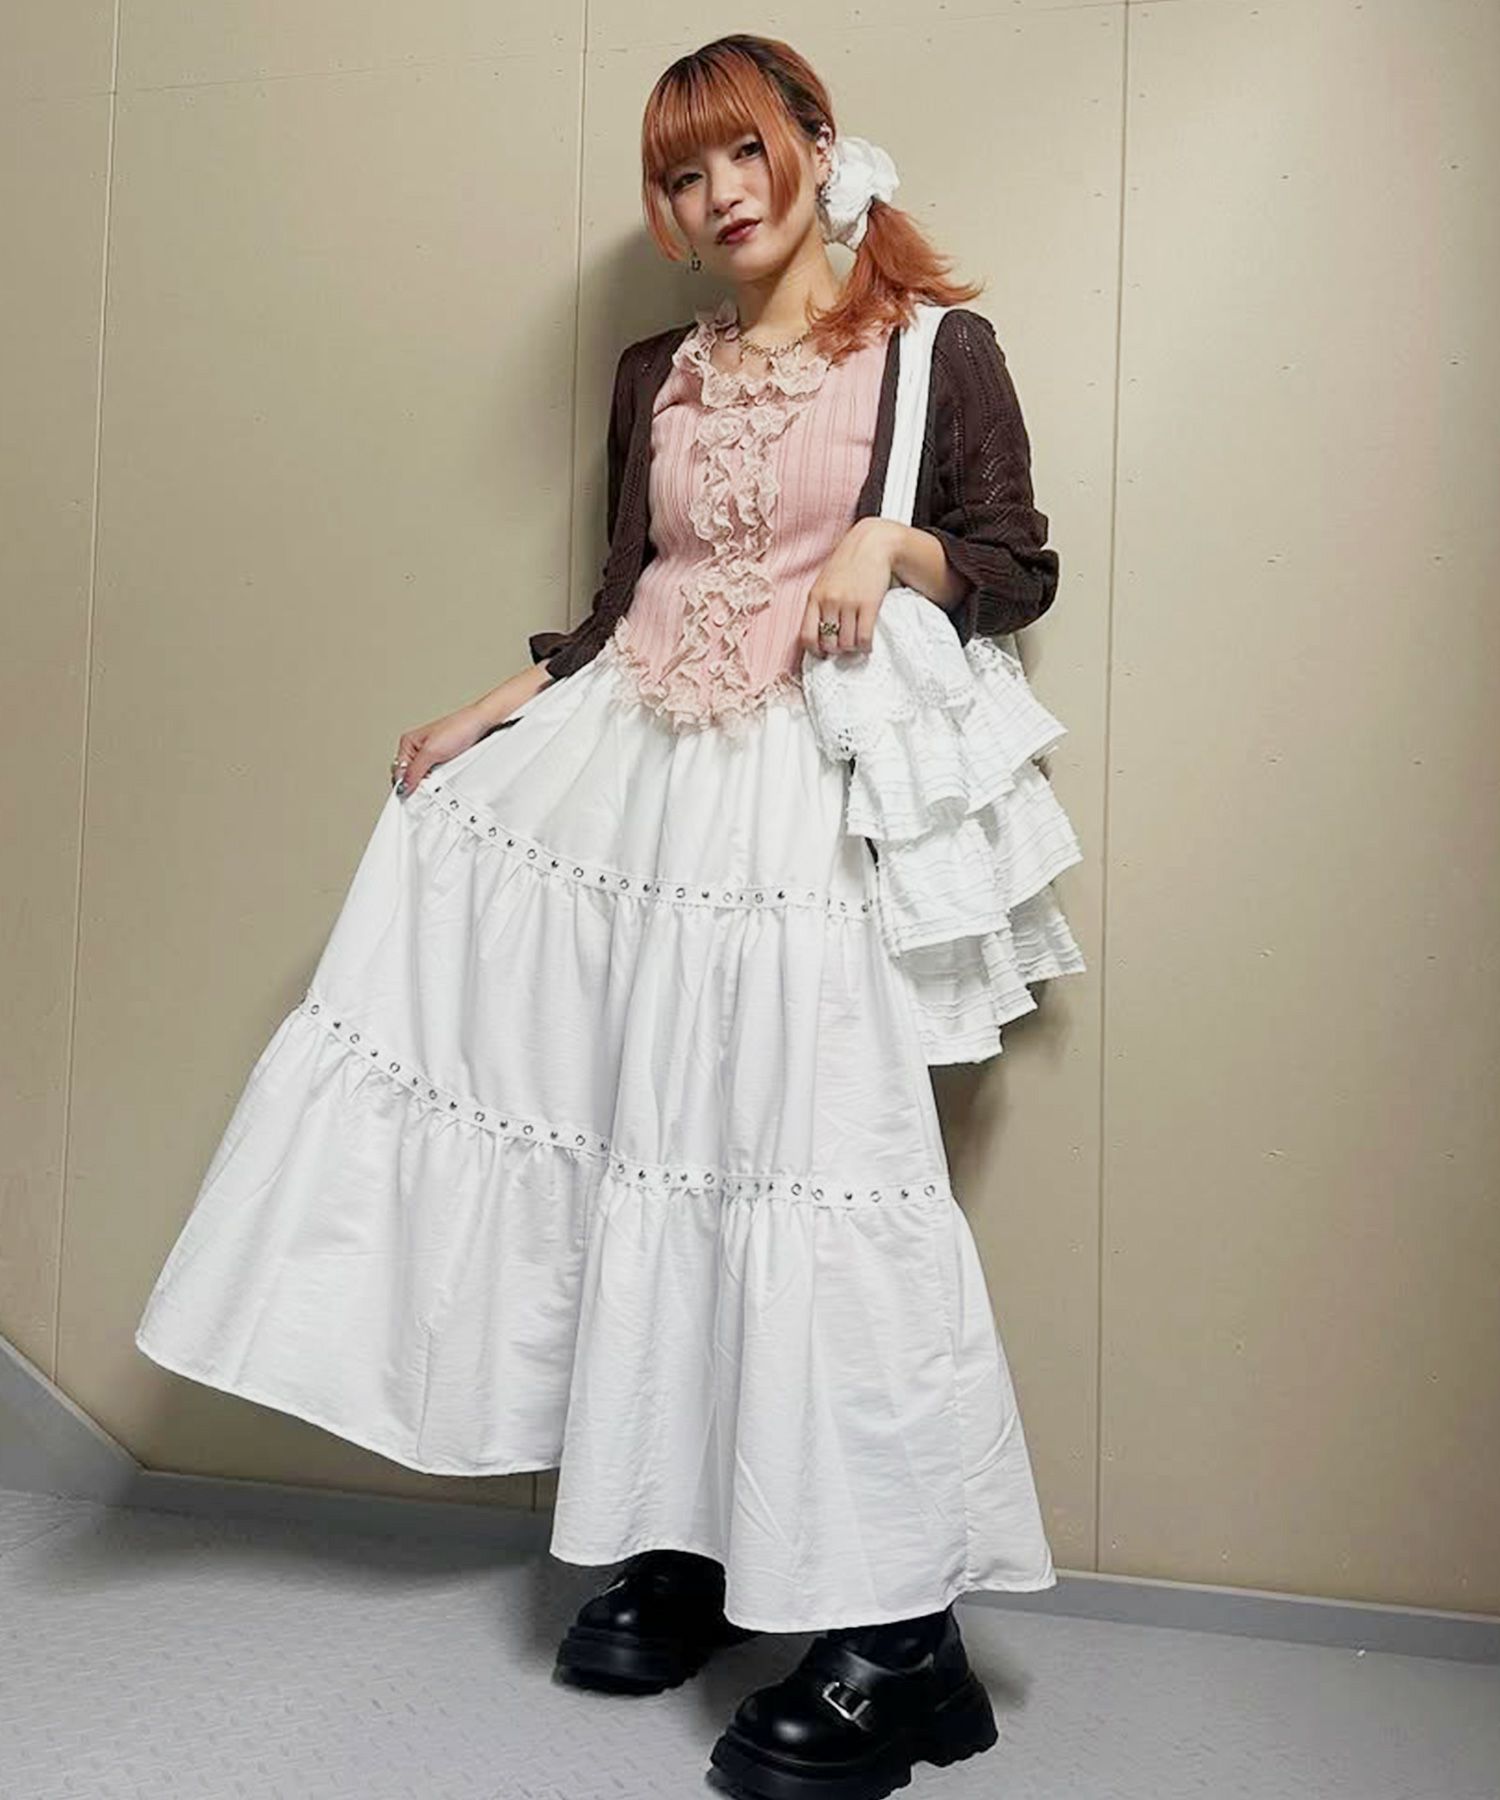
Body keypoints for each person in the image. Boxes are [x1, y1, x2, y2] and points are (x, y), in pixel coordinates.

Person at [135, 32, 1072, 1800]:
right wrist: (497, 706)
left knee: (816, 1173)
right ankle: (695, 1546)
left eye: (744, 154)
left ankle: (900, 1635)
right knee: (654, 1165)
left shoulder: (937, 350)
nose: (719, 196)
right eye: (681, 174)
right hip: (639, 797)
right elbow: (627, 597)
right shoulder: (660, 370)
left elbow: (1016, 563)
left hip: (800, 809)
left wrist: (890, 549)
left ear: (816, 145)